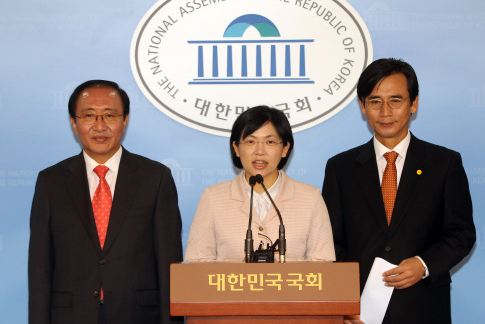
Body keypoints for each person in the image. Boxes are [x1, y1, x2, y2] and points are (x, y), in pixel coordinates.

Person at [322, 58, 476, 324]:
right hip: (360, 313)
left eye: (395, 100)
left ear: (413, 104)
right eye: (374, 101)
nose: (385, 112)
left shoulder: (444, 163)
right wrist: (344, 306)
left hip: (424, 307)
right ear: (362, 106)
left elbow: (461, 233)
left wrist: (424, 264)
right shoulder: (341, 168)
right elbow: (331, 245)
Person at [28, 80, 183, 324]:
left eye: (109, 115)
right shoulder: (51, 182)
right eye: (89, 115)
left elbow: (169, 264)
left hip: (138, 315)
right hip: (70, 316)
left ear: (125, 120)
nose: (100, 126)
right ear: (74, 123)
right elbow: (39, 269)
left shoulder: (155, 178)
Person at [185, 105, 335, 262]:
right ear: (236, 148)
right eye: (250, 141)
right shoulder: (213, 198)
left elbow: (323, 263)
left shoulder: (310, 198)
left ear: (285, 148)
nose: (259, 151)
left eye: (270, 142)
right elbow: (197, 262)